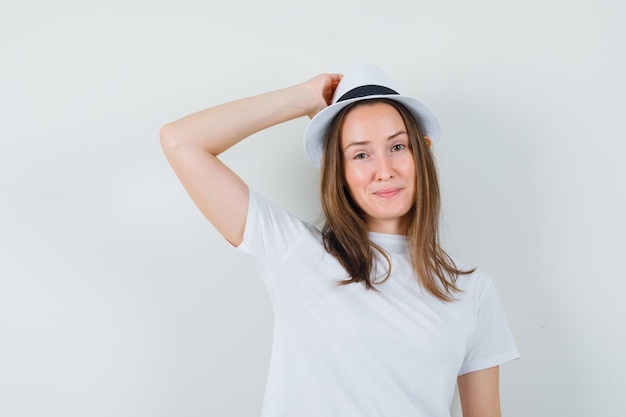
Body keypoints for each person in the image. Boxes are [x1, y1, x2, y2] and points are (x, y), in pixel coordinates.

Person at [160, 63, 519, 417]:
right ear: (340, 172)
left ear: (422, 151)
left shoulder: (471, 291)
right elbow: (181, 141)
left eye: (397, 147)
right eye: (361, 154)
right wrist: (303, 98)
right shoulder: (295, 253)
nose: (385, 170)